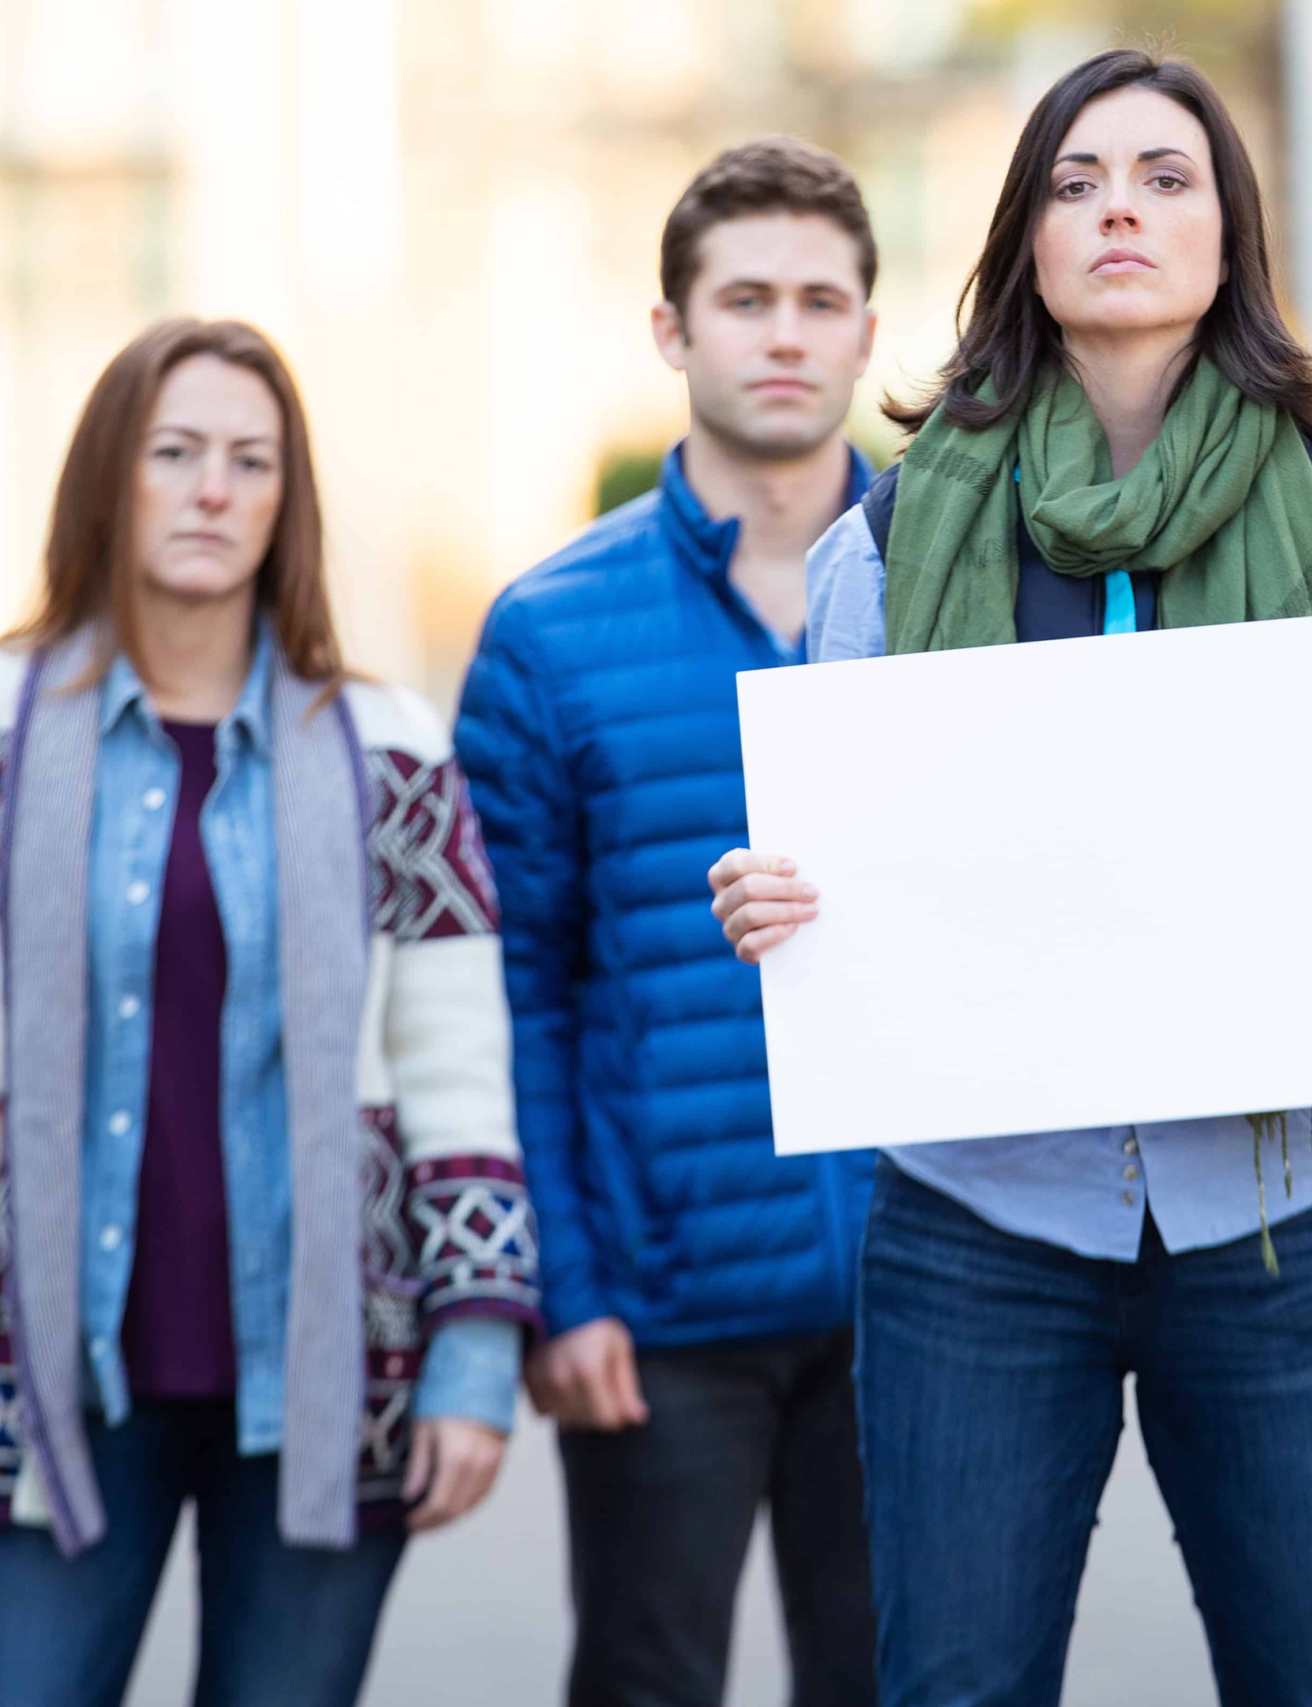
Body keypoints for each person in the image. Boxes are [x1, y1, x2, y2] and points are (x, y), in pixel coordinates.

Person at [706, 49, 1312, 1706]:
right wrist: (778, 904)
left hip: (1287, 1229)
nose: (1119, 208)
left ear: (1229, 236)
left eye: (1167, 179)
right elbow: (840, 871)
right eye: (1077, 180)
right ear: (1025, 240)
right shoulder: (886, 545)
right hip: (980, 1222)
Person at [0, 318, 541, 1707]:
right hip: (46, 1373)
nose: (214, 488)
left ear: (287, 501)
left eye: (250, 460)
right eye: (175, 453)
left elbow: (460, 1067)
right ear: (112, 478)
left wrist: (473, 1348)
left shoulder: (395, 750)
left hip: (340, 1371)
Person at [454, 138, 882, 1707]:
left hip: (919, 1288)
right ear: (672, 329)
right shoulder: (549, 633)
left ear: (864, 333)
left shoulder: (954, 594)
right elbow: (513, 992)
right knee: (644, 1687)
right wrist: (560, 1286)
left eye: (819, 299)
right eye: (746, 297)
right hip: (660, 1305)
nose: (784, 332)